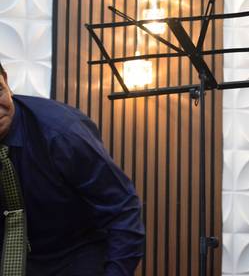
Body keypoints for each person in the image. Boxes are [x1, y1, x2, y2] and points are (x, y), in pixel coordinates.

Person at [0, 61, 145, 275]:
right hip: (12, 254)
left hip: (76, 253)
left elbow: (122, 209)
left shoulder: (63, 134)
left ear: (6, 81)